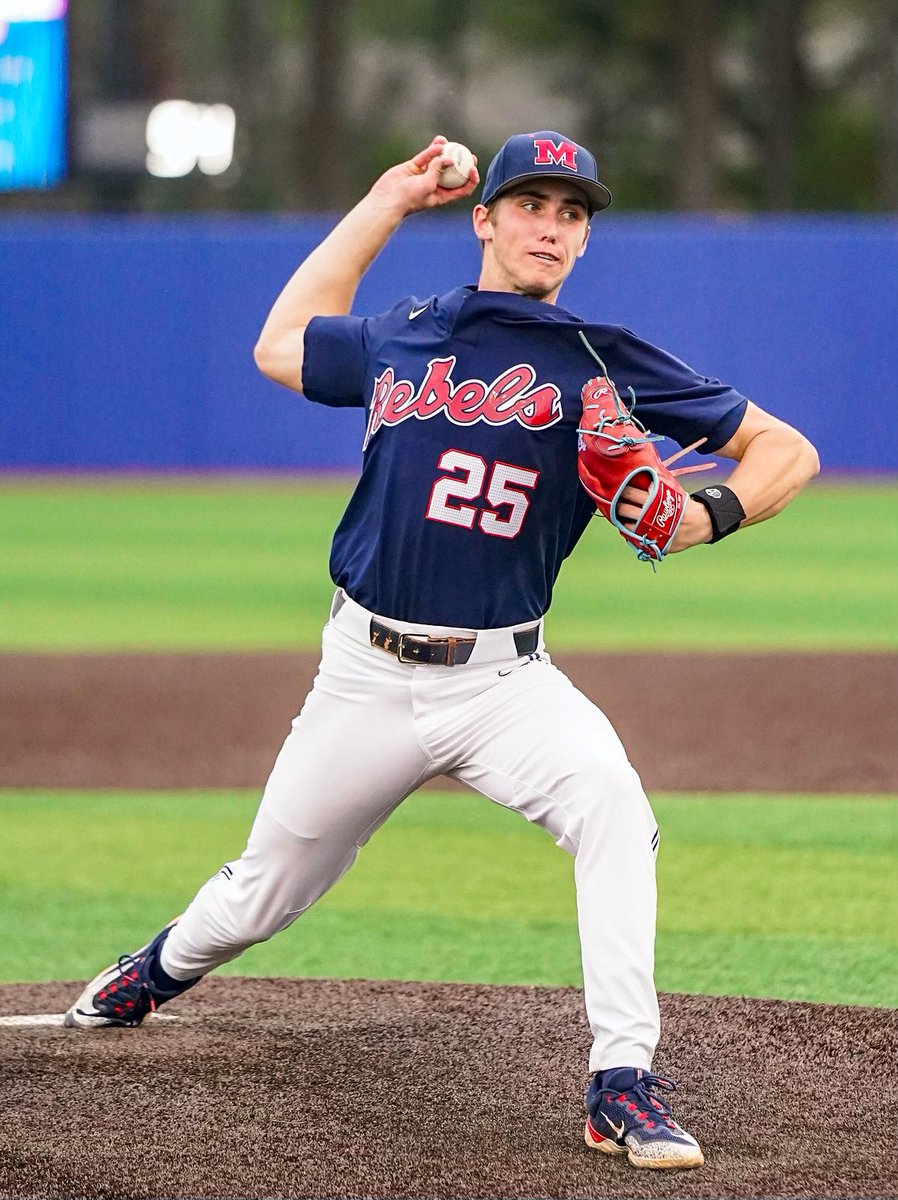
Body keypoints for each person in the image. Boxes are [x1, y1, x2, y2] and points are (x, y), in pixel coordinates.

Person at [65, 132, 819, 1171]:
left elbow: (789, 449)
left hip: (506, 681)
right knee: (263, 892)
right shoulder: (404, 333)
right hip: (363, 677)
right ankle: (156, 966)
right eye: (529, 205)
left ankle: (622, 1081)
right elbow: (280, 343)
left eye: (570, 212)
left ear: (584, 237)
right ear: (485, 219)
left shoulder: (600, 361)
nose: (549, 226)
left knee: (614, 806)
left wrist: (708, 515)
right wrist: (384, 201)